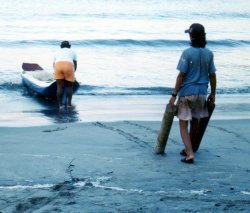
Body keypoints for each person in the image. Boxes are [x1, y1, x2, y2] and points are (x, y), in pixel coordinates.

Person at [168, 23, 217, 164]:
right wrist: (212, 94)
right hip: (202, 93)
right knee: (195, 122)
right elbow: (212, 76)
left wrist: (173, 95)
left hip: (187, 93)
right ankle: (188, 148)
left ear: (191, 36)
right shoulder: (209, 53)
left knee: (183, 125)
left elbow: (181, 76)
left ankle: (189, 154)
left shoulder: (187, 53)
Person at [53, 41, 77, 109]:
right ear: (69, 46)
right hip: (69, 66)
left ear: (61, 46)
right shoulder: (73, 52)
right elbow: (75, 64)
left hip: (58, 65)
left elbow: (54, 64)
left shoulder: (56, 52)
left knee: (59, 86)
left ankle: (60, 105)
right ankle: (69, 104)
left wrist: (55, 72)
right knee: (69, 86)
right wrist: (73, 72)